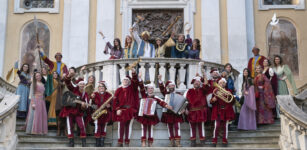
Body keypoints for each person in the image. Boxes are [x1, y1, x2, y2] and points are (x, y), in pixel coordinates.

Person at [137, 74, 172, 147]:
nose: (150, 90)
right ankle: (143, 142)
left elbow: (161, 102)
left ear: (153, 90)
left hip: (152, 115)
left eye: (152, 89)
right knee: (143, 128)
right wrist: (140, 78)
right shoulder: (144, 95)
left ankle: (150, 142)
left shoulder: (155, 97)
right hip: (143, 115)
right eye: (149, 88)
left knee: (151, 128)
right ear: (147, 89)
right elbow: (141, 87)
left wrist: (166, 105)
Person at [60, 70, 89, 147]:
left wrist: (84, 106)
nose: (82, 85)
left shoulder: (85, 94)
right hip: (69, 110)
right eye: (81, 84)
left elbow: (86, 105)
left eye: (83, 84)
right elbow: (68, 83)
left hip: (78, 111)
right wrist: (69, 75)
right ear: (78, 85)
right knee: (70, 126)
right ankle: (71, 142)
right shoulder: (73, 89)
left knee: (82, 126)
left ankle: (84, 142)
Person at [112, 68, 140, 147]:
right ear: (122, 81)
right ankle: (120, 141)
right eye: (124, 80)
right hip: (121, 110)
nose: (125, 81)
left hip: (130, 110)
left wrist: (134, 73)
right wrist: (117, 109)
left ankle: (127, 142)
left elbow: (135, 82)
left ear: (129, 81)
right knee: (121, 126)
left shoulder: (132, 88)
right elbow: (115, 101)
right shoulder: (118, 90)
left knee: (128, 126)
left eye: (127, 80)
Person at [158, 75, 184, 147]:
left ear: (174, 86)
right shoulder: (166, 94)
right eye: (170, 86)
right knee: (169, 127)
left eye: (172, 86)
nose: (171, 87)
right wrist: (160, 80)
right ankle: (171, 141)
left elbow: (183, 103)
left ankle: (178, 142)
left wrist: (183, 109)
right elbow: (162, 88)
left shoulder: (179, 94)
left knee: (177, 127)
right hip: (168, 113)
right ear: (168, 87)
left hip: (176, 113)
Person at [184, 75, 210, 147]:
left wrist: (204, 75)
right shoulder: (189, 91)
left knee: (201, 127)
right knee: (192, 127)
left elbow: (206, 86)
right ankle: (193, 141)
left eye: (198, 82)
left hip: (201, 112)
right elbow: (185, 101)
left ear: (200, 83)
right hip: (191, 112)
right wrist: (186, 108)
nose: (197, 83)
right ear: (193, 83)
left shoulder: (203, 90)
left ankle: (202, 141)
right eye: (196, 81)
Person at [210, 78, 235, 147]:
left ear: (225, 84)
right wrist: (213, 100)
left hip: (226, 111)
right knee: (217, 126)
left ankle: (224, 140)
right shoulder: (215, 91)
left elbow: (232, 102)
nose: (221, 84)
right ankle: (214, 140)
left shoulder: (229, 91)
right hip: (218, 111)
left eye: (223, 83)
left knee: (225, 126)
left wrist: (231, 96)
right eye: (220, 83)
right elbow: (211, 102)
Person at [90, 81, 112, 147]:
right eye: (99, 87)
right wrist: (92, 98)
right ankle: (97, 142)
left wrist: (110, 105)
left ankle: (102, 142)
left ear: (105, 88)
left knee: (104, 127)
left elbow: (113, 103)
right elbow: (91, 103)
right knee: (97, 127)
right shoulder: (95, 94)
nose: (101, 88)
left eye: (102, 87)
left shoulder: (109, 95)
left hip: (105, 113)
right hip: (97, 112)